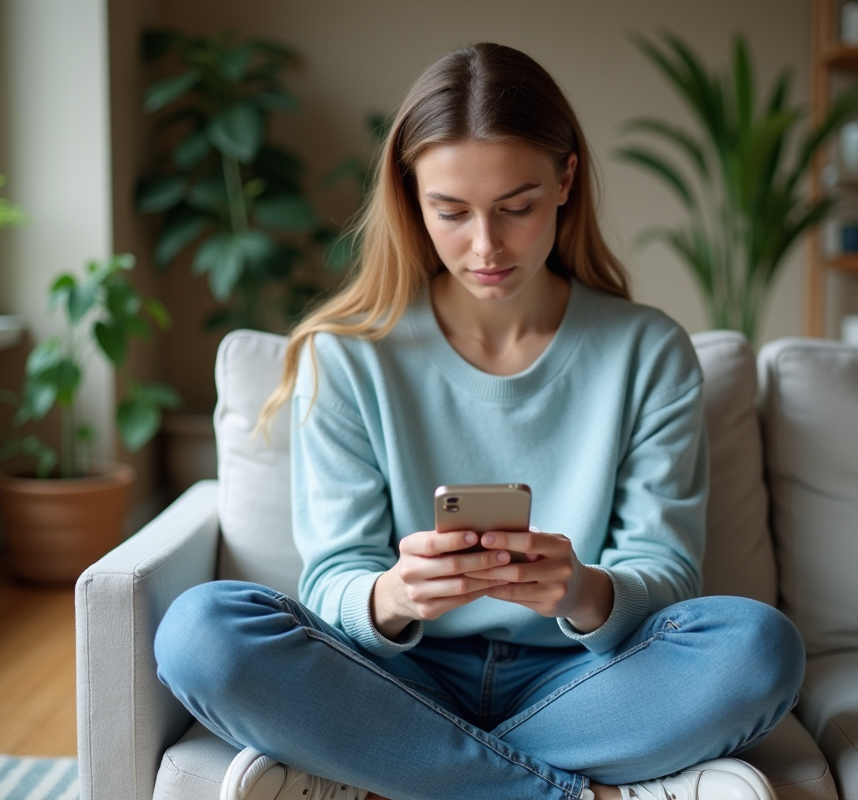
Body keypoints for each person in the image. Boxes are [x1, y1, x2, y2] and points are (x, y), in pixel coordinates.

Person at [154, 42, 805, 800]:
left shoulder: (647, 350)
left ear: (565, 181)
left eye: (517, 207)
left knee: (759, 648)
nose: (486, 246)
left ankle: (378, 774)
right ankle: (574, 791)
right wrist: (396, 595)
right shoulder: (349, 356)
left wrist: (581, 591)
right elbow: (331, 575)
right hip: (399, 673)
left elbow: (667, 572)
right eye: (451, 212)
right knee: (201, 633)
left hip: (585, 677)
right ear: (410, 195)